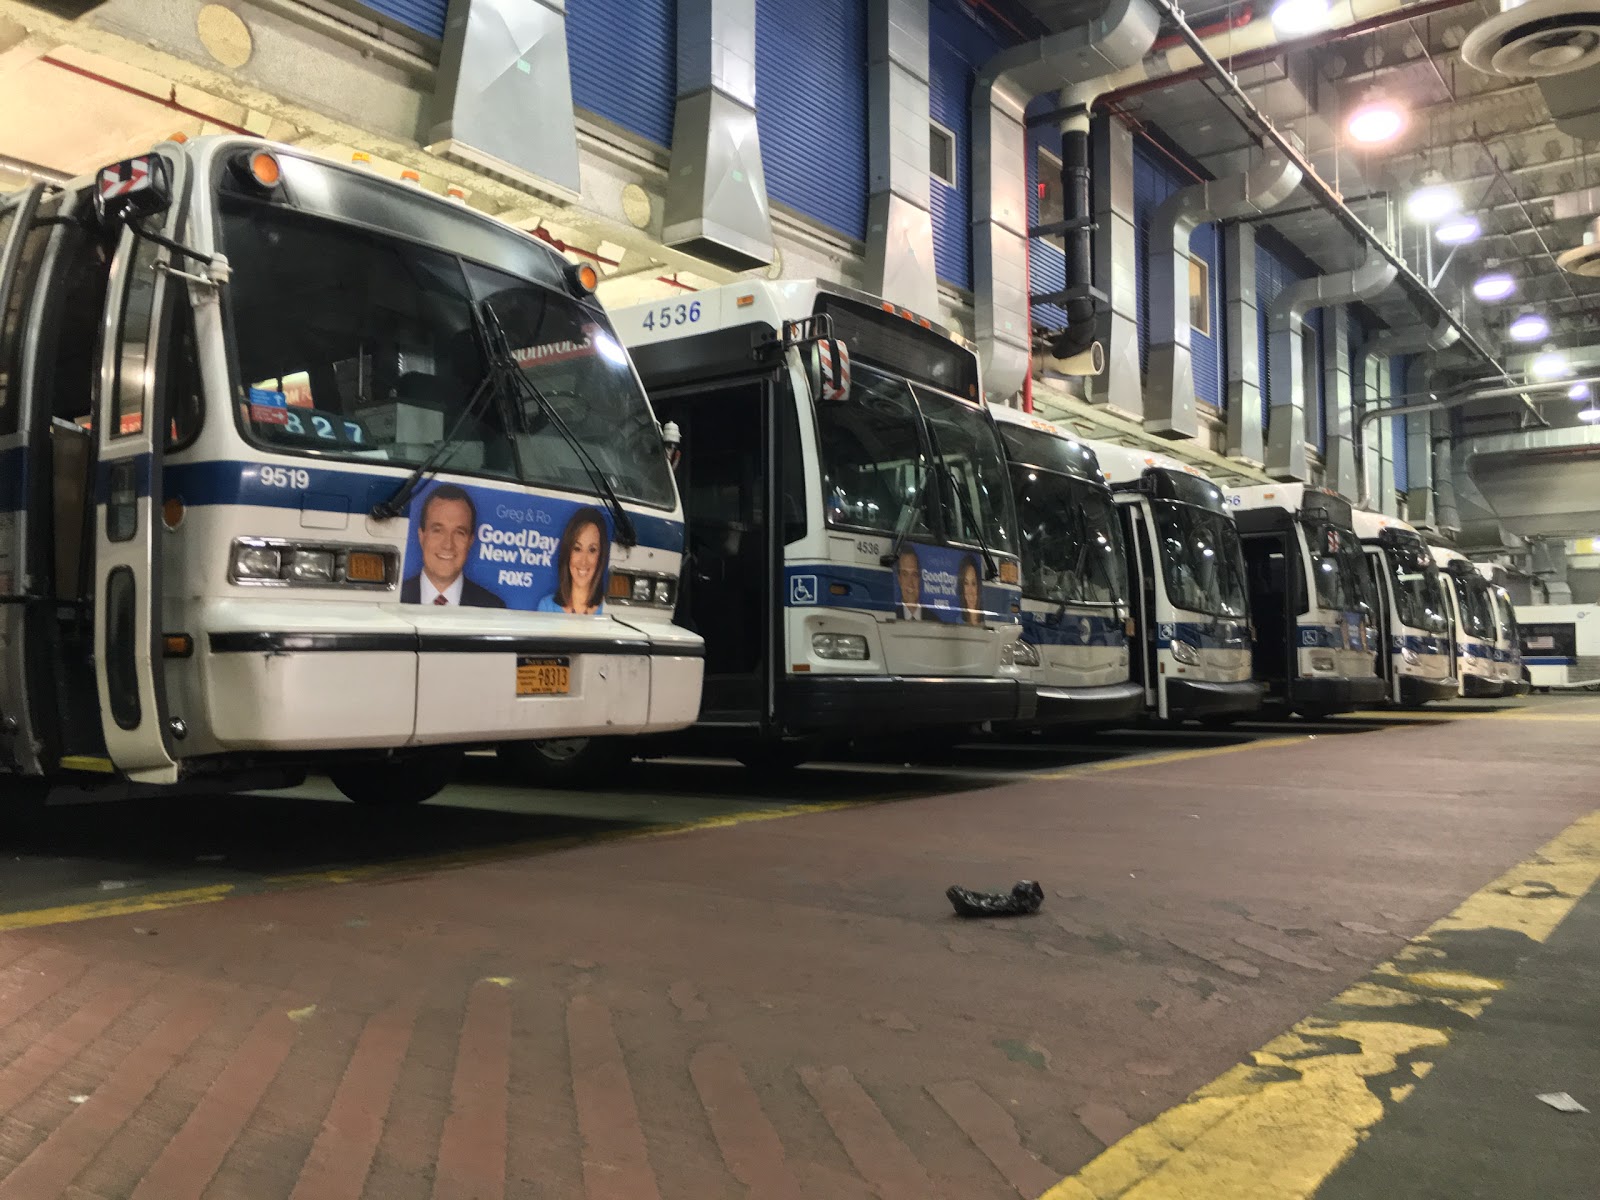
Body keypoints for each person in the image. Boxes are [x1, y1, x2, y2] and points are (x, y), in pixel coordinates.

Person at [400, 484, 506, 607]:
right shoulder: (393, 598)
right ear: (421, 536)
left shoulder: (493, 607)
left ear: (470, 541)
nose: (448, 545)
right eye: (438, 531)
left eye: (459, 533)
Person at [537, 507, 610, 614]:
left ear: (601, 556)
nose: (583, 561)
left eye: (592, 550)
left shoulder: (610, 611)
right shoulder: (547, 607)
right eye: (577, 549)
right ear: (567, 553)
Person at [896, 547, 926, 620]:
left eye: (914, 575)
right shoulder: (891, 616)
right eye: (905, 574)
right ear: (899, 579)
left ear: (919, 579)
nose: (910, 583)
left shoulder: (934, 620)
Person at [958, 556, 984, 626]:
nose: (970, 591)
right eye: (966, 583)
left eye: (973, 584)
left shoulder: (987, 619)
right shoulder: (957, 621)